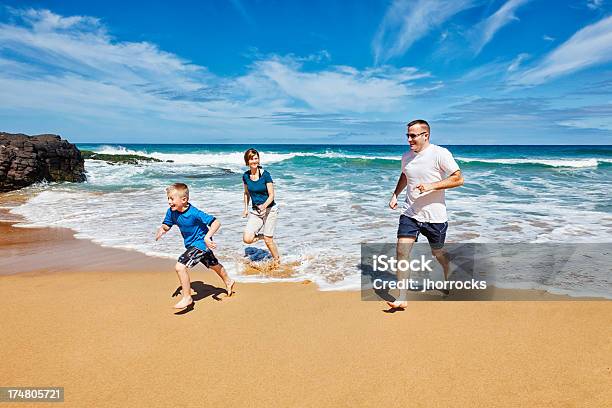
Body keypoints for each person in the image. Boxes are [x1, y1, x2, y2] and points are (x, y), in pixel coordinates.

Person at [387, 119, 464, 309]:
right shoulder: (406, 157)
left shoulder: (440, 153)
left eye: (413, 136)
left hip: (435, 217)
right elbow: (406, 174)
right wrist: (395, 194)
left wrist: (432, 186)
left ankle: (448, 271)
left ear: (425, 135)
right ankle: (402, 297)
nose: (409, 140)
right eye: (408, 136)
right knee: (401, 251)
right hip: (410, 212)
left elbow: (458, 178)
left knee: (437, 253)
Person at [156, 182, 234, 309]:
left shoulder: (194, 213)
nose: (169, 202)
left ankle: (187, 298)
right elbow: (167, 224)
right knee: (213, 265)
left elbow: (216, 223)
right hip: (192, 245)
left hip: (201, 243)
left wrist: (207, 237)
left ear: (184, 199)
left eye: (172, 199)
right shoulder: (171, 212)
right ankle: (229, 281)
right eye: (168, 198)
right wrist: (162, 229)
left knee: (180, 266)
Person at [241, 148, 280, 265]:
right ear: (247, 161)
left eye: (256, 158)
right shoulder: (245, 176)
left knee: (269, 242)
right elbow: (246, 193)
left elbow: (272, 195)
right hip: (256, 211)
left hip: (270, 210)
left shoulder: (265, 175)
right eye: (251, 159)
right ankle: (265, 236)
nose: (254, 161)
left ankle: (277, 261)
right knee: (247, 239)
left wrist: (264, 205)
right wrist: (246, 209)